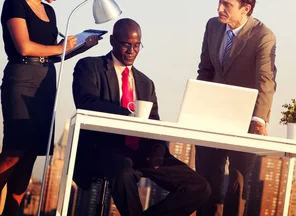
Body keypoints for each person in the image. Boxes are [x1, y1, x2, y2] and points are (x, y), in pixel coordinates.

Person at [72, 18, 210, 216]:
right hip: (105, 148)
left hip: (142, 151)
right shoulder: (89, 67)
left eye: (137, 46)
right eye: (127, 44)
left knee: (199, 188)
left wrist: (159, 147)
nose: (132, 51)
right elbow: (86, 102)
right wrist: (129, 116)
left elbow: (154, 121)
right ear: (112, 41)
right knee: (124, 172)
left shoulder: (146, 83)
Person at [0, 0, 77, 216]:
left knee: (31, 153)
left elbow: (51, 53)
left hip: (46, 84)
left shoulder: (51, 13)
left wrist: (77, 47)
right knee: (13, 150)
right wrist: (57, 47)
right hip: (20, 81)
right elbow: (23, 47)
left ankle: (13, 211)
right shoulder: (14, 3)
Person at [195, 0, 277, 216]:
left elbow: (266, 81)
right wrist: (197, 108)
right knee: (206, 183)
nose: (219, 8)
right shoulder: (212, 26)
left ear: (245, 8)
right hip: (210, 116)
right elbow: (205, 71)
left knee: (237, 186)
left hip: (244, 119)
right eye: (219, 1)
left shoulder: (263, 36)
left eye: (226, 4)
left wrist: (258, 120)